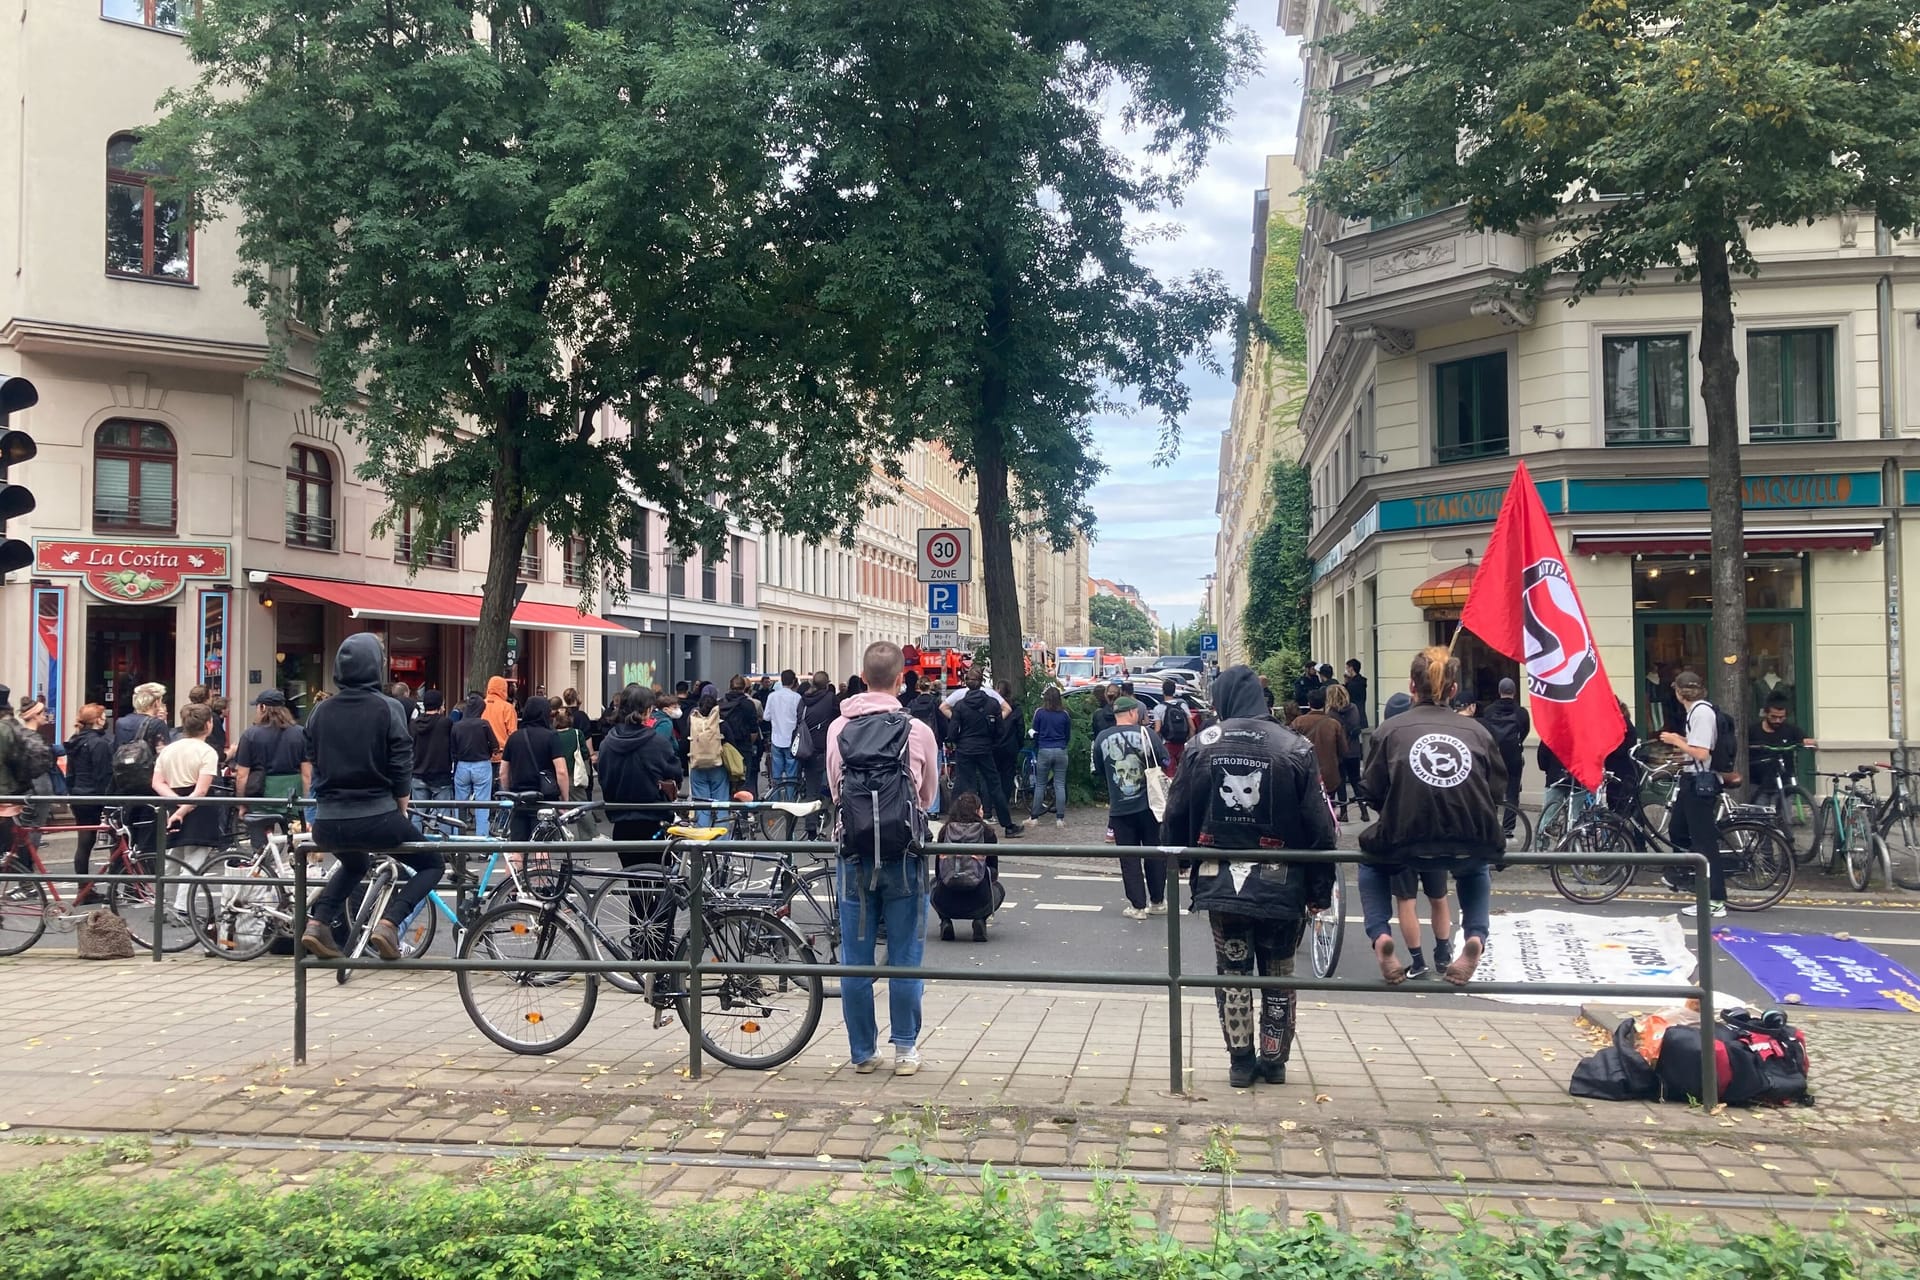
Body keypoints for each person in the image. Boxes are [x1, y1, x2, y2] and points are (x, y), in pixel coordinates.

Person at [1164, 664, 1338, 1088]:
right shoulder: (1294, 746)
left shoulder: (1202, 744)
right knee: (1278, 973)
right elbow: (1320, 829)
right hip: (1283, 886)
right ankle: (1274, 1061)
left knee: (1232, 969)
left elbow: (1177, 810)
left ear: (1222, 698)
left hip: (1221, 883)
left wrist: (1181, 859)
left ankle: (1240, 1062)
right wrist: (1320, 890)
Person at [1356, 647, 1504, 986]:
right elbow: (1496, 789)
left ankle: (1380, 937)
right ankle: (1475, 938)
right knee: (1475, 869)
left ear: (1411, 686)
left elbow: (1373, 789)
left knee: (1370, 864)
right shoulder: (1478, 733)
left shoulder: (1391, 731)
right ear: (1453, 691)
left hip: (1406, 838)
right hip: (1469, 837)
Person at [825, 640, 939, 1075]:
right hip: (905, 854)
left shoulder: (839, 729)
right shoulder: (917, 731)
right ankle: (906, 1049)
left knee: (855, 958)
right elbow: (927, 795)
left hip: (853, 855)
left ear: (862, 676)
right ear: (899, 680)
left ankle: (862, 1053)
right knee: (906, 952)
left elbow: (836, 788)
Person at [300, 634, 443, 961]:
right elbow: (400, 764)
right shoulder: (388, 707)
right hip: (376, 815)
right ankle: (390, 924)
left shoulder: (319, 712)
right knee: (432, 863)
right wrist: (401, 807)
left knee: (355, 862)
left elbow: (314, 763)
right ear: (375, 667)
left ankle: (318, 922)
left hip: (328, 819)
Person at [1091, 695, 1170, 919]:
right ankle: (1157, 901)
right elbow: (1165, 761)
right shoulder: (1147, 734)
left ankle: (1137, 906)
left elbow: (1096, 770)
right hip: (1150, 806)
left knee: (1129, 857)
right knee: (1154, 852)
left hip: (1120, 808)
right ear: (1134, 713)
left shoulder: (1101, 739)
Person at [1660, 670, 1726, 918]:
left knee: (1704, 842)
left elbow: (1701, 753)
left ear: (1679, 692)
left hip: (1700, 783)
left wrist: (1677, 741)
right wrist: (1681, 740)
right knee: (1677, 830)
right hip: (1691, 780)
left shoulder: (1700, 713)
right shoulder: (1697, 712)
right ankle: (1685, 878)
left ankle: (1715, 899)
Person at [942, 668, 1021, 836]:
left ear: (966, 684)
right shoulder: (992, 703)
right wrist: (990, 739)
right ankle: (1007, 825)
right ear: (981, 683)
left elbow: (952, 732)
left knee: (963, 786)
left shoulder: (961, 706)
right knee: (994, 786)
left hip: (965, 749)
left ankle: (956, 822)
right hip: (985, 748)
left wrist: (959, 740)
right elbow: (999, 729)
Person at [152, 701, 225, 867]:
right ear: (208, 724)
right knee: (193, 867)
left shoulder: (169, 750)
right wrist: (183, 809)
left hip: (171, 804)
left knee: (171, 863)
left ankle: (165, 894)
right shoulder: (207, 752)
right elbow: (200, 791)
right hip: (200, 810)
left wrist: (176, 802)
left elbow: (157, 783)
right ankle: (183, 895)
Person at [931, 791, 1002, 942]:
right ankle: (980, 918)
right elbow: (994, 872)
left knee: (932, 884)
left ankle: (945, 920)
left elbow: (939, 872)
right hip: (979, 899)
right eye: (981, 808)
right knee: (999, 889)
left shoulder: (945, 831)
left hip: (946, 900)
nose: (983, 811)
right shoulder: (987, 832)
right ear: (976, 811)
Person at [500, 695, 570, 844]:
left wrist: (510, 792)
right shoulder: (551, 737)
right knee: (542, 847)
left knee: (516, 848)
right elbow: (561, 771)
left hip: (519, 798)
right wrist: (564, 801)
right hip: (544, 799)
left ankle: (514, 868)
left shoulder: (514, 738)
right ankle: (541, 868)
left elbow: (503, 772)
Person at [64, 704, 114, 905]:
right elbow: (103, 774)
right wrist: (108, 799)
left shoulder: (75, 741)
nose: (105, 719)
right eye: (103, 716)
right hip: (94, 796)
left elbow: (70, 772)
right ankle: (116, 884)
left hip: (78, 795)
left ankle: (83, 887)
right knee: (113, 838)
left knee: (84, 842)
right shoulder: (99, 743)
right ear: (97, 720)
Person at [114, 682, 172, 852]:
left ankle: (127, 870)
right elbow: (163, 755)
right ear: (155, 702)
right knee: (150, 836)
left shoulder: (121, 722)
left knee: (129, 832)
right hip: (149, 784)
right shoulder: (157, 724)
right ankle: (148, 873)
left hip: (125, 784)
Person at [233, 690, 311, 813]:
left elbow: (242, 775)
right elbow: (307, 774)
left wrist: (241, 803)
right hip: (292, 794)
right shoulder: (300, 733)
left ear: (263, 707)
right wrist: (307, 803)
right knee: (294, 830)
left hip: (261, 795)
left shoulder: (250, 735)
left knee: (261, 829)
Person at [1477, 677, 1530, 837]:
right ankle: (1508, 828)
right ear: (1514, 692)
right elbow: (1525, 731)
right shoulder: (1521, 712)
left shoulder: (1489, 711)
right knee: (1512, 792)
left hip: (1493, 756)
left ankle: (1492, 824)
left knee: (1491, 790)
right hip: (1514, 757)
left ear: (1499, 692)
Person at [1748, 694, 1814, 804]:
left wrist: (1809, 742)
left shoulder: (1791, 729)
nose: (1778, 721)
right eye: (1773, 717)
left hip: (1784, 781)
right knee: (1759, 815)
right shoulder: (1753, 731)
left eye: (1781, 717)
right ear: (1765, 714)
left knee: (1784, 815)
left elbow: (1805, 740)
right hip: (1758, 783)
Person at [449, 692, 499, 836]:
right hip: (482, 764)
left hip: (462, 766)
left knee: (460, 805)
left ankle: (458, 841)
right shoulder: (484, 724)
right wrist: (491, 751)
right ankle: (481, 841)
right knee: (482, 805)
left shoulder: (457, 726)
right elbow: (494, 745)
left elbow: (453, 749)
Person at [1288, 687, 1348, 803]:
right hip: (1330, 774)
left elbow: (1289, 747)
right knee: (1329, 803)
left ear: (1309, 704)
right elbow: (1344, 750)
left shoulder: (1298, 722)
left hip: (1306, 773)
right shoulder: (1334, 724)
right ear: (1325, 703)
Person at [798, 672, 840, 834]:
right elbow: (838, 716)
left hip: (806, 748)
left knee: (812, 787)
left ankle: (814, 819)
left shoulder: (803, 699)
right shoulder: (830, 698)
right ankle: (813, 824)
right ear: (827, 684)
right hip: (824, 747)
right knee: (825, 785)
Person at [686, 690, 731, 826]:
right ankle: (721, 841)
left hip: (697, 767)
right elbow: (731, 744)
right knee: (721, 803)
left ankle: (703, 840)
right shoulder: (721, 723)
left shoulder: (693, 723)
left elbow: (684, 743)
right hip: (718, 766)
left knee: (701, 804)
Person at [1029, 685, 1071, 826]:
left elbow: (1034, 731)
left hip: (1044, 750)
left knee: (1040, 784)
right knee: (1059, 784)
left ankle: (1034, 817)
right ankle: (1060, 818)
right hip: (1060, 749)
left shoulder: (1039, 713)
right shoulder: (1064, 714)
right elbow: (1067, 734)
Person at [1325, 683, 1366, 823]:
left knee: (1341, 782)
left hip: (1339, 751)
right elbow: (1356, 725)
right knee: (1356, 780)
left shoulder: (1331, 713)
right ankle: (1364, 810)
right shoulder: (1353, 708)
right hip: (1354, 750)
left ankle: (1344, 813)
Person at [719, 675, 762, 796]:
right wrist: (749, 742)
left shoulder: (720, 704)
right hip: (743, 746)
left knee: (726, 779)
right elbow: (754, 729)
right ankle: (742, 812)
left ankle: (726, 809)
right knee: (743, 781)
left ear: (729, 687)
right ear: (744, 688)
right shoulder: (748, 704)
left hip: (725, 746)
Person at [409, 690, 455, 804]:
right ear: (439, 705)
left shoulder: (414, 725)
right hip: (440, 775)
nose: (444, 708)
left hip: (417, 773)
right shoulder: (445, 723)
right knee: (443, 815)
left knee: (417, 814)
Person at [765, 670, 805, 788]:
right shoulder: (797, 697)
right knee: (791, 774)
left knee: (776, 774)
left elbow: (766, 717)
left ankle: (775, 798)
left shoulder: (772, 696)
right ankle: (789, 801)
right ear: (793, 681)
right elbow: (801, 717)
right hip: (792, 740)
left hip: (776, 738)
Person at [992, 680, 1023, 816]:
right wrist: (1019, 744)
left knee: (994, 776)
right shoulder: (1016, 709)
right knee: (1008, 776)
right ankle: (1004, 803)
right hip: (1010, 747)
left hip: (995, 746)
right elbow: (1021, 729)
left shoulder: (993, 707)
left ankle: (993, 804)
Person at [1156, 678, 1193, 773]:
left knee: (1169, 773)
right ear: (1174, 691)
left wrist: (1157, 746)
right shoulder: (1183, 706)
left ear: (1163, 691)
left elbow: (1157, 730)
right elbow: (1192, 727)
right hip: (1182, 744)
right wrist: (1189, 743)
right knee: (1183, 772)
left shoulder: (1159, 708)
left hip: (1168, 745)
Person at [481, 676, 517, 768]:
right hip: (502, 756)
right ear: (504, 689)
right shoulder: (507, 707)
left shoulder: (480, 705)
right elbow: (513, 734)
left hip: (482, 755)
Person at [1342, 660, 1368, 731]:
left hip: (1353, 716)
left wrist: (1346, 684)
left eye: (1347, 668)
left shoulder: (1353, 685)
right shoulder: (1361, 681)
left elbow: (1348, 697)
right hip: (1361, 715)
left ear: (1351, 668)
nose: (1346, 670)